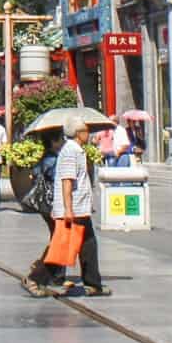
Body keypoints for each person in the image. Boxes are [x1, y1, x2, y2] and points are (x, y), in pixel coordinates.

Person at [25, 119, 108, 297]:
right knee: (63, 247)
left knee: (89, 245)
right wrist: (68, 209)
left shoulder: (76, 150)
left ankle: (93, 284)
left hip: (80, 208)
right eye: (86, 130)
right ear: (78, 133)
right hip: (73, 209)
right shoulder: (71, 151)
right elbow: (67, 181)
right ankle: (35, 278)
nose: (89, 133)